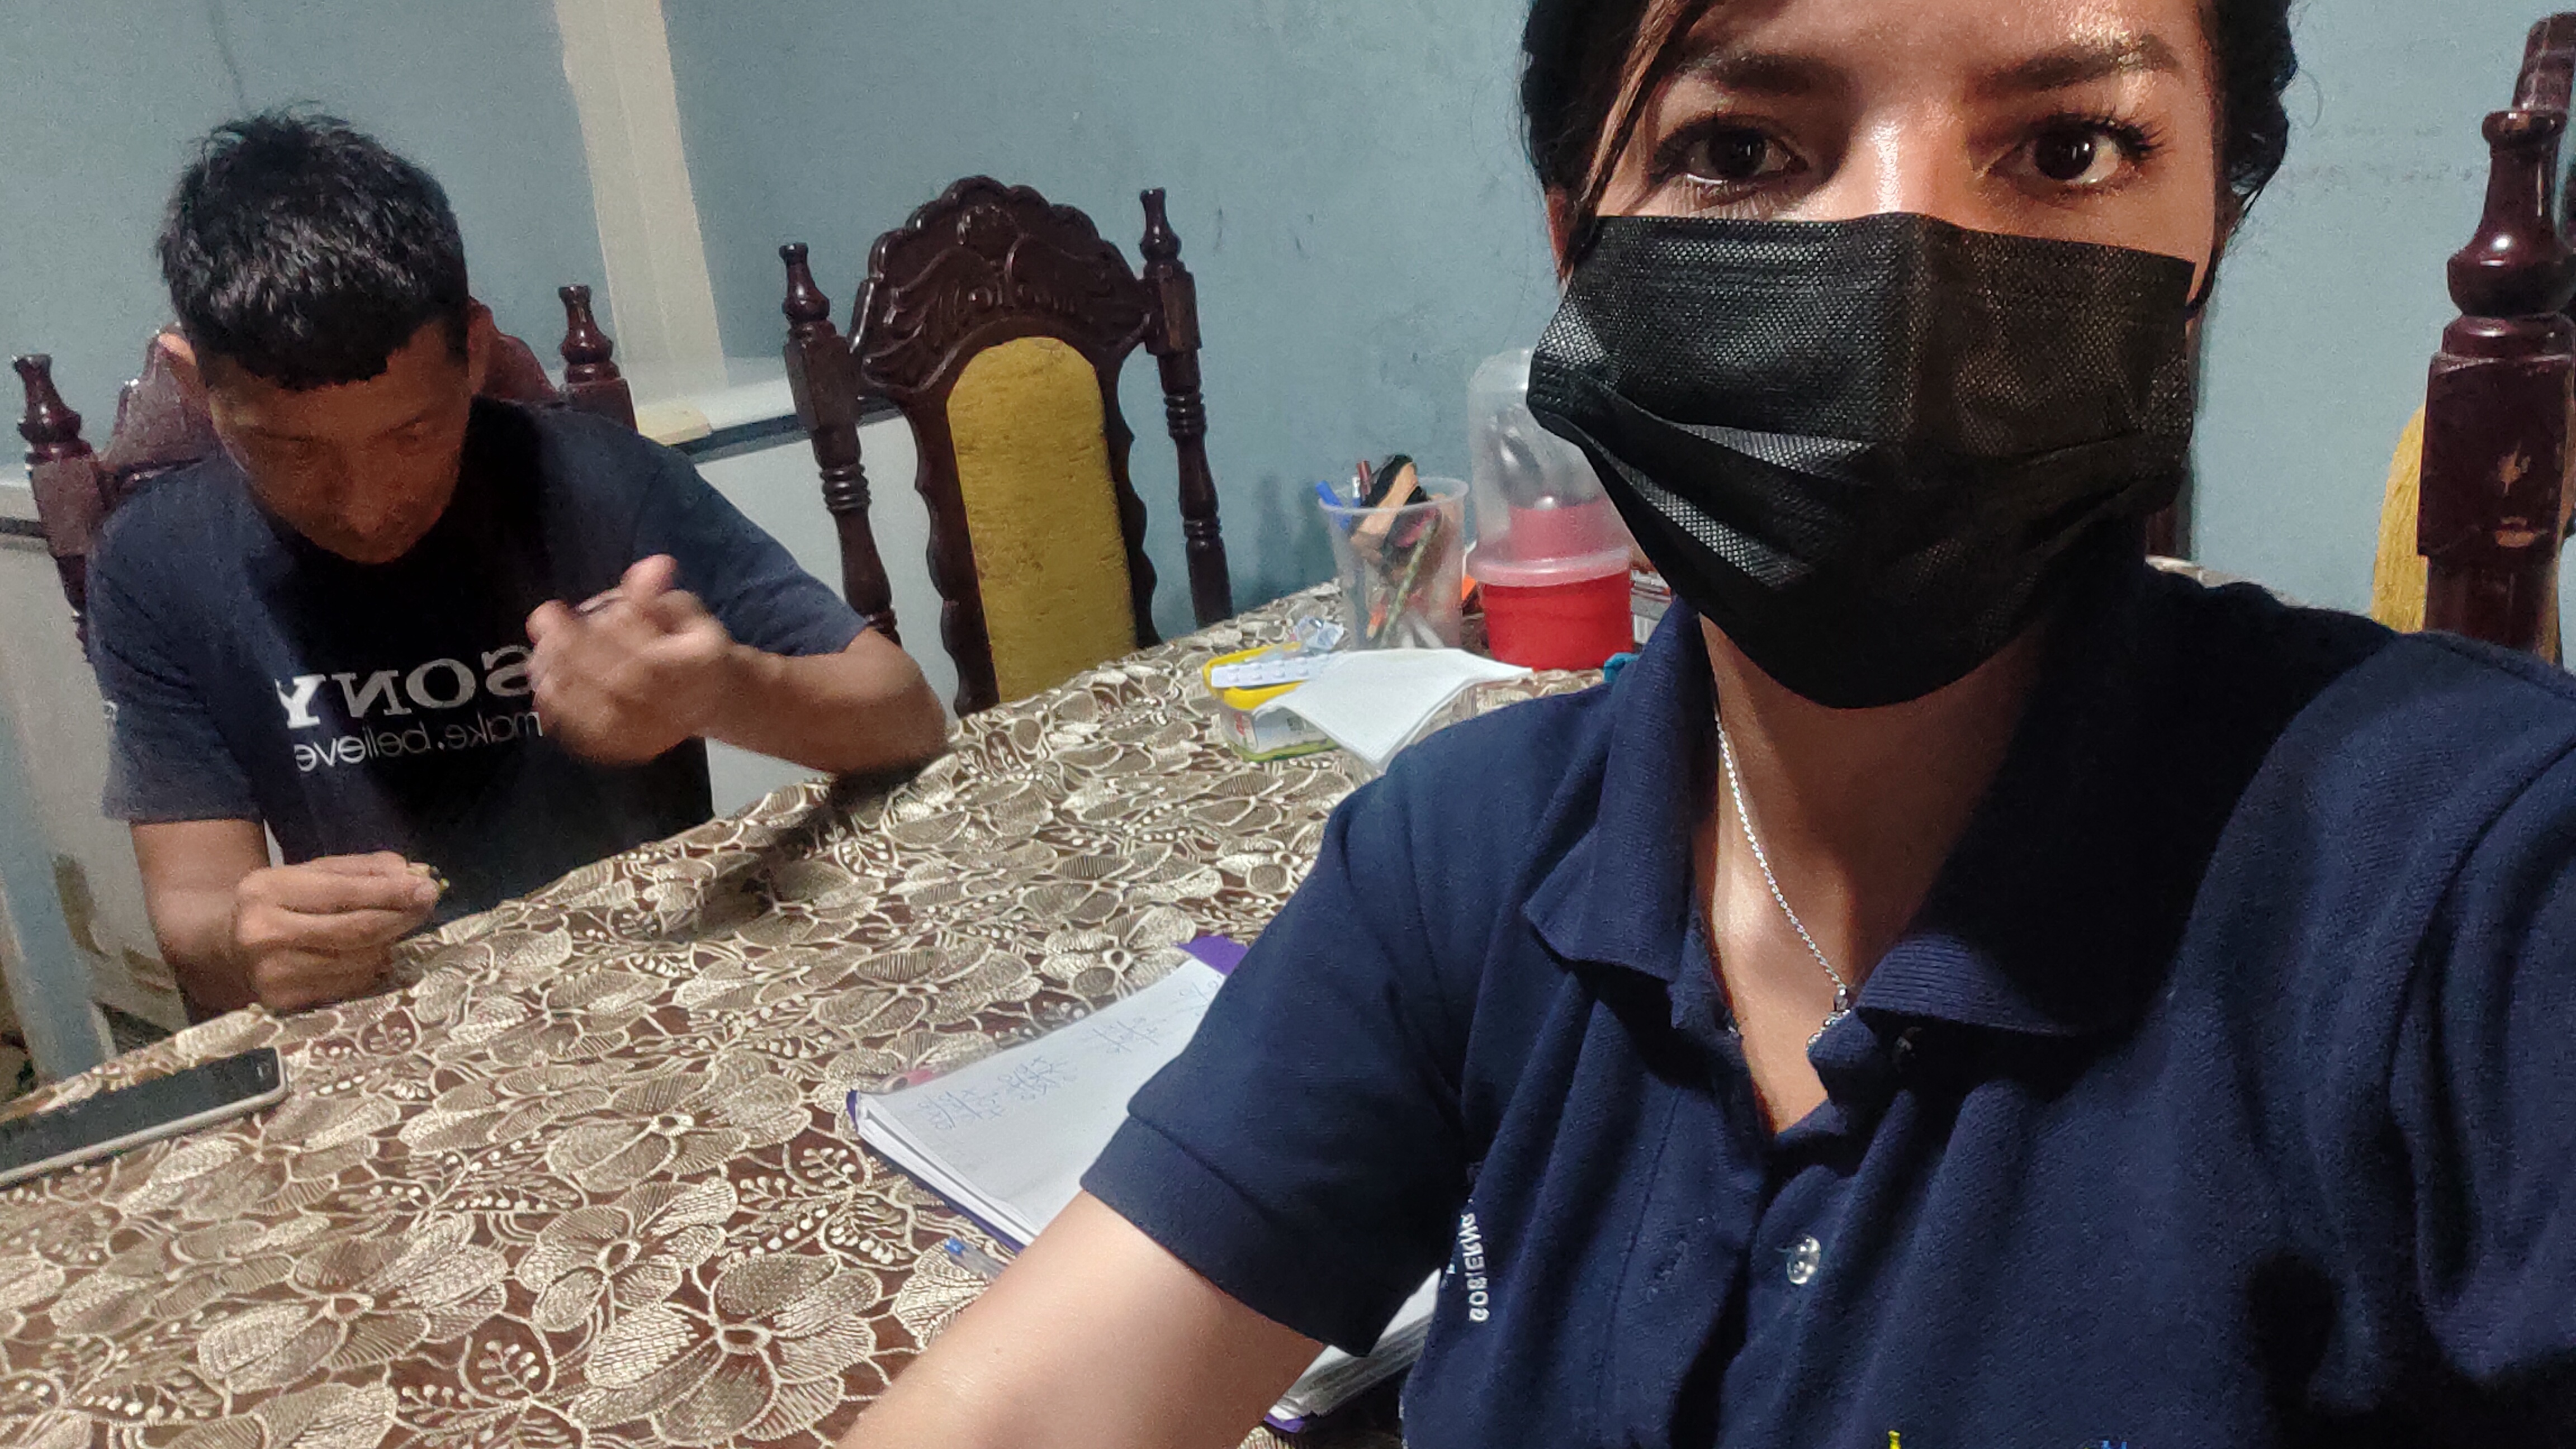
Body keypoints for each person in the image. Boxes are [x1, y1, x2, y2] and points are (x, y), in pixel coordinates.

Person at [841, 0, 2576, 1445]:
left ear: (2212, 240)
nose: (1901, 286)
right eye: (1738, 149)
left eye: (2068, 147)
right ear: (1577, 251)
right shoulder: (1461, 855)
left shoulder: (2479, 881)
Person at [89, 113, 948, 1017]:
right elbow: (192, 909)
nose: (366, 505)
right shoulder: (154, 563)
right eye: (290, 450)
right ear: (194, 382)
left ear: (473, 351)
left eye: (413, 433)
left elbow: (907, 716)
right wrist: (249, 942)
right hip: (395, 1016)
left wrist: (724, 691)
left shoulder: (604, 480)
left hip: (660, 984)